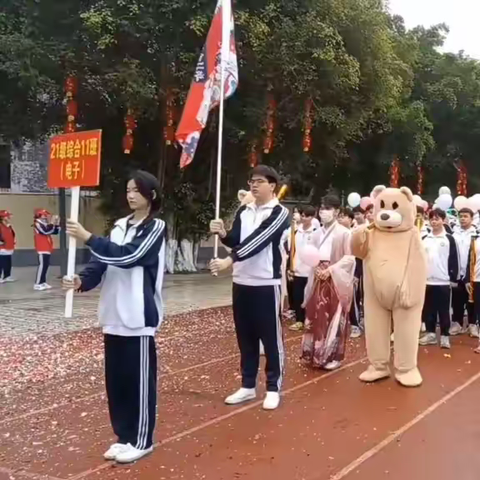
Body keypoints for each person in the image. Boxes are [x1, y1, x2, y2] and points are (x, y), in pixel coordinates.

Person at [62, 170, 166, 464]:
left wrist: (88, 237)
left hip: (139, 318)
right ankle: (124, 437)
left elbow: (129, 256)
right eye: (128, 190)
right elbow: (102, 263)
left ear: (151, 195)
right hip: (113, 315)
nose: (131, 195)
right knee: (117, 382)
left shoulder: (155, 228)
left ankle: (143, 439)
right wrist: (82, 281)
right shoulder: (119, 226)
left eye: (137, 190)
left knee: (139, 383)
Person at [209, 165, 289, 411]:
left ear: (272, 185)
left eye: (259, 181)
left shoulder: (280, 213)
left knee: (270, 338)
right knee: (245, 337)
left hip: (266, 283)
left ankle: (273, 387)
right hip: (241, 282)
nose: (253, 185)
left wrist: (229, 260)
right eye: (251, 181)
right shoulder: (245, 209)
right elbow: (237, 238)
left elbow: (258, 241)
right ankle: (247, 385)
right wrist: (223, 233)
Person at [301, 194, 355, 370]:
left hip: (334, 279)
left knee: (333, 315)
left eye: (328, 209)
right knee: (316, 315)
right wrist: (316, 268)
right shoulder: (317, 234)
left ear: (337, 211)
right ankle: (314, 353)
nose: (324, 212)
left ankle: (333, 355)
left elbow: (350, 258)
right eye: (322, 208)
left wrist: (330, 270)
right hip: (318, 277)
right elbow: (310, 254)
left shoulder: (344, 233)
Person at [419, 209, 459, 349]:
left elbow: (454, 259)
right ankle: (430, 334)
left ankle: (444, 336)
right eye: (432, 219)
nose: (434, 221)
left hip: (443, 281)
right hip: (427, 281)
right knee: (428, 309)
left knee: (444, 310)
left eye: (437, 218)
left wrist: (453, 278)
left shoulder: (449, 239)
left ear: (443, 220)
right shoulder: (424, 239)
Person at [285, 205, 318, 332]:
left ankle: (311, 320)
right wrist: (290, 267)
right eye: (303, 215)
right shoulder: (295, 231)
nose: (304, 218)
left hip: (311, 271)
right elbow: (291, 250)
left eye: (307, 216)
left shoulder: (316, 232)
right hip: (298, 270)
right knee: (298, 296)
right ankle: (299, 320)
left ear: (312, 217)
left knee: (311, 297)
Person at [451, 208, 477, 336]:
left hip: (472, 273)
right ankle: (457, 323)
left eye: (466, 216)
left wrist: (468, 276)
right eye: (460, 216)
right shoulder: (453, 234)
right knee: (457, 300)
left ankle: (472, 325)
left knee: (472, 300)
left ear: (471, 218)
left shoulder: (476, 234)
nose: (463, 219)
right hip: (457, 273)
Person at [33, 209, 60, 291]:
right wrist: (52, 223)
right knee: (42, 266)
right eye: (44, 215)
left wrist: (56, 223)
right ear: (39, 215)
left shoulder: (44, 224)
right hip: (42, 247)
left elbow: (54, 232)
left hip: (47, 247)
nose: (46, 217)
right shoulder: (37, 223)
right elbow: (45, 231)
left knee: (45, 266)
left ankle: (42, 282)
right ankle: (37, 283)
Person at [0, 210, 16, 283]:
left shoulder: (8, 225)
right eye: (7, 216)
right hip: (2, 247)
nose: (9, 217)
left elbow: (12, 234)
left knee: (8, 262)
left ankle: (7, 276)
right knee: (1, 262)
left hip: (9, 246)